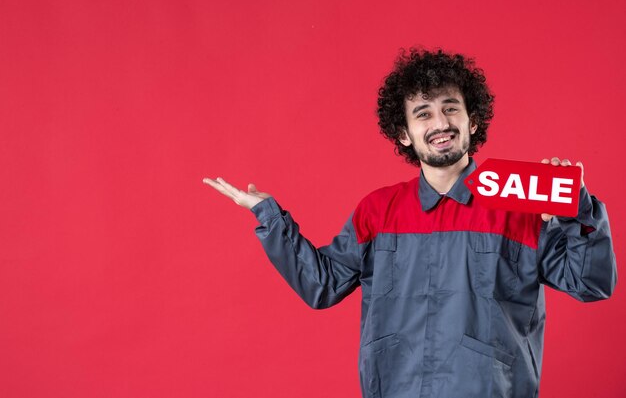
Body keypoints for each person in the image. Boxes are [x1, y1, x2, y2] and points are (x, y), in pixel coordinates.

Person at [203, 49, 617, 398]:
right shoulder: (378, 211)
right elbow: (322, 285)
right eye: (423, 113)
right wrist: (269, 216)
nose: (439, 124)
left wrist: (576, 210)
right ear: (404, 133)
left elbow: (591, 284)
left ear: (472, 122)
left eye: (450, 108)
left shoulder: (520, 205)